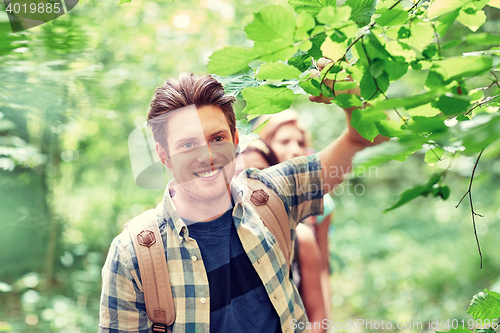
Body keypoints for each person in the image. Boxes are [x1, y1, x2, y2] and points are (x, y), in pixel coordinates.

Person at [99, 63, 387, 332]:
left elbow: (366, 136)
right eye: (188, 144)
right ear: (164, 155)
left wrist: (350, 97)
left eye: (217, 138)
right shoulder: (133, 254)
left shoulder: (273, 195)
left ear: (236, 139)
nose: (208, 156)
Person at [240, 138, 328, 333]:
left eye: (261, 173)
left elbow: (318, 317)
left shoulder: (300, 239)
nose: (251, 186)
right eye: (240, 176)